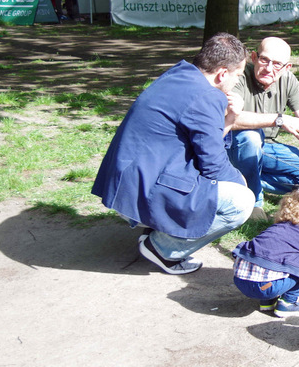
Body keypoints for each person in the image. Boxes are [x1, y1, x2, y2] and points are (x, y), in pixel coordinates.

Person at [92, 33, 255, 275]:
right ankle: (162, 248)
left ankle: (159, 227)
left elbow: (206, 144)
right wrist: (241, 182)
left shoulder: (180, 73)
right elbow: (214, 166)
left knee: (216, 182)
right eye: (238, 75)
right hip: (142, 189)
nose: (237, 82)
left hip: (124, 183)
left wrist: (231, 119)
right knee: (241, 202)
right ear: (222, 74)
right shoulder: (208, 96)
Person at [227, 37, 299, 210]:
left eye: (277, 64)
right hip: (232, 145)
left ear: (287, 67)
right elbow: (229, 118)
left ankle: (237, 178)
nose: (269, 68)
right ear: (254, 57)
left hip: (267, 147)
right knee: (250, 137)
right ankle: (253, 203)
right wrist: (279, 119)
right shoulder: (238, 75)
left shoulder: (288, 80)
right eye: (264, 60)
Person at [232, 190, 299, 317]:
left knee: (273, 260)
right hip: (265, 286)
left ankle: (267, 302)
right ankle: (289, 303)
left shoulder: (276, 229)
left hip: (240, 280)